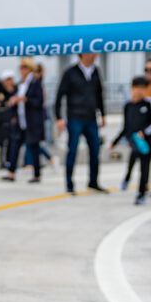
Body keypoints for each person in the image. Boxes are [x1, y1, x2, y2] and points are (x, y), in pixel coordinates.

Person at [54, 52, 107, 195]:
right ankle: (70, 184)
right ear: (82, 54)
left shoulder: (96, 72)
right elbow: (60, 95)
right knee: (72, 150)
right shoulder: (70, 73)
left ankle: (93, 182)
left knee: (95, 150)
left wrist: (102, 114)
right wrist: (58, 117)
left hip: (91, 118)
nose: (95, 55)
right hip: (75, 117)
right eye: (91, 52)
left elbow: (99, 94)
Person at [109, 76, 151, 205]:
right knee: (133, 157)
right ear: (131, 89)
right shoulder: (128, 105)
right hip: (133, 140)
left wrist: (145, 132)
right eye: (137, 88)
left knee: (144, 167)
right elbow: (125, 126)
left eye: (143, 88)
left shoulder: (149, 103)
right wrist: (115, 141)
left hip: (147, 142)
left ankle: (141, 193)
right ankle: (127, 178)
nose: (139, 91)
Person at [3, 58, 44, 183]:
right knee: (15, 145)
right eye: (21, 68)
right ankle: (11, 172)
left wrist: (25, 100)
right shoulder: (20, 84)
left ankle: (36, 174)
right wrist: (14, 102)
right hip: (20, 120)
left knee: (34, 146)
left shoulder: (35, 83)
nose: (22, 70)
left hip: (31, 120)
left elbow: (39, 101)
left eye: (24, 68)